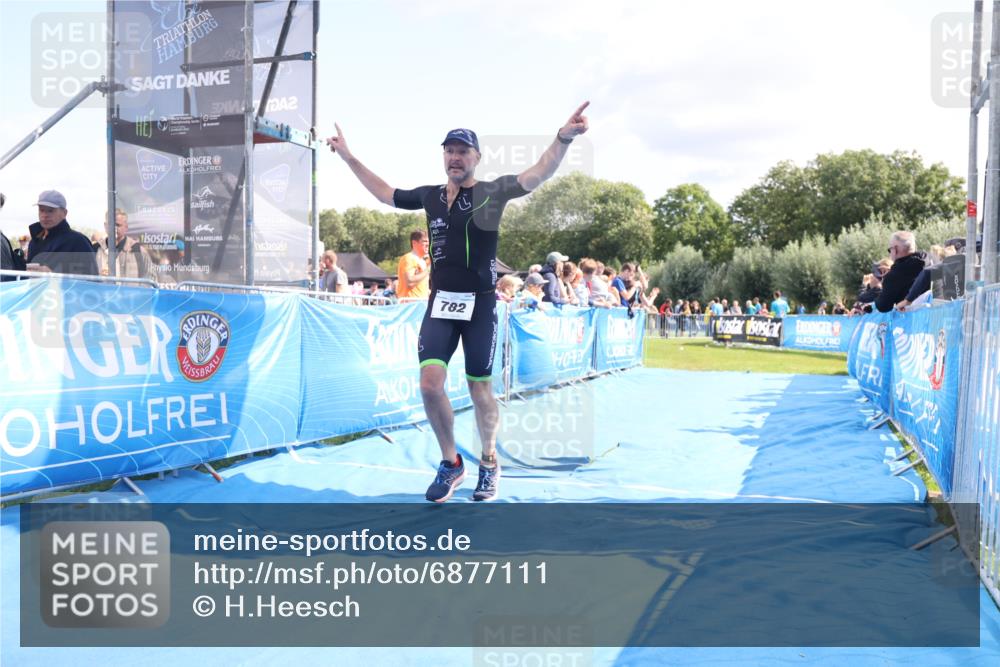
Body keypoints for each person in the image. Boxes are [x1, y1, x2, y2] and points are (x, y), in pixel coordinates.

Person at [327, 101, 590, 502]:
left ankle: (489, 461)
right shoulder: (430, 197)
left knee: (479, 389)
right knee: (430, 385)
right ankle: (451, 463)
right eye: (449, 150)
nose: (455, 157)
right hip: (441, 304)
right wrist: (349, 157)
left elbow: (538, 173)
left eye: (463, 151)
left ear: (476, 158)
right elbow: (384, 193)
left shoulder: (491, 193)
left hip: (480, 306)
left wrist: (563, 139)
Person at [26, 190, 98, 275]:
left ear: (64, 213)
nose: (45, 215)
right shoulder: (34, 242)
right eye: (41, 210)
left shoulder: (78, 242)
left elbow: (91, 277)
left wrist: (53, 275)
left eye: (50, 210)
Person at [875, 231, 928, 313]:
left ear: (895, 249)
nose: (890, 253)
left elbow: (883, 306)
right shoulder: (928, 261)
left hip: (913, 319)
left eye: (890, 250)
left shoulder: (894, 275)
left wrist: (885, 281)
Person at [95, 208, 154, 279]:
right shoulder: (95, 250)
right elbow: (87, 279)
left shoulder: (138, 251)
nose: (114, 228)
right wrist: (99, 278)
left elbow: (151, 279)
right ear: (105, 226)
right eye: (111, 224)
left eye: (118, 225)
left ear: (126, 227)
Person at [397, 229, 431, 299]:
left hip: (421, 303)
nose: (428, 244)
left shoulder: (423, 261)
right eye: (425, 241)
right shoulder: (408, 258)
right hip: (410, 303)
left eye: (429, 241)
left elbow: (421, 287)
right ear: (414, 243)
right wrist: (428, 269)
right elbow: (410, 282)